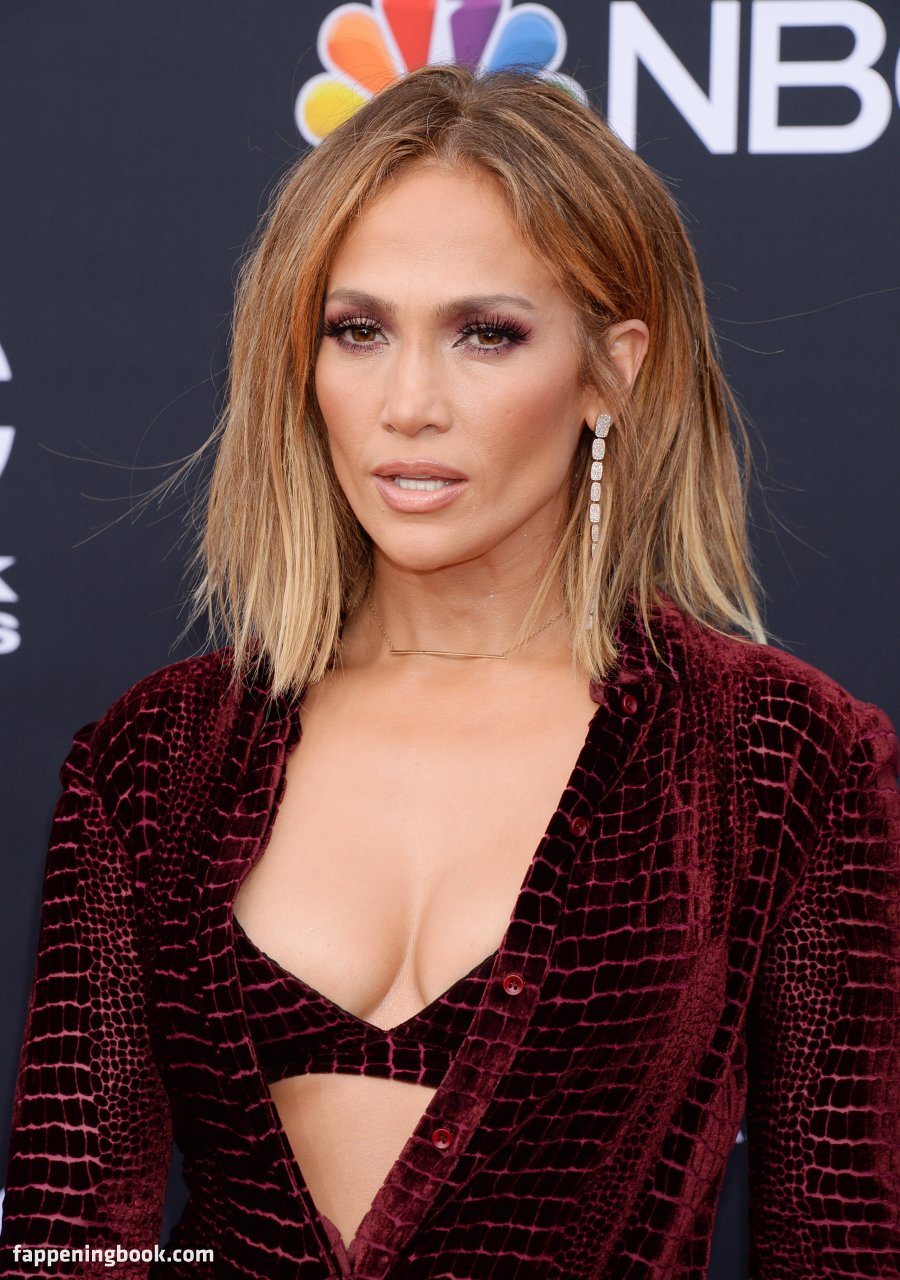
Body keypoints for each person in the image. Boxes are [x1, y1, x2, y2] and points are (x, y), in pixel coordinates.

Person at [1, 63, 898, 1280]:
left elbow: (841, 1240)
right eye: (358, 330)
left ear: (611, 369)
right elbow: (64, 1243)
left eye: (487, 334)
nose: (409, 403)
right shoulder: (152, 757)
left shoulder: (783, 755)